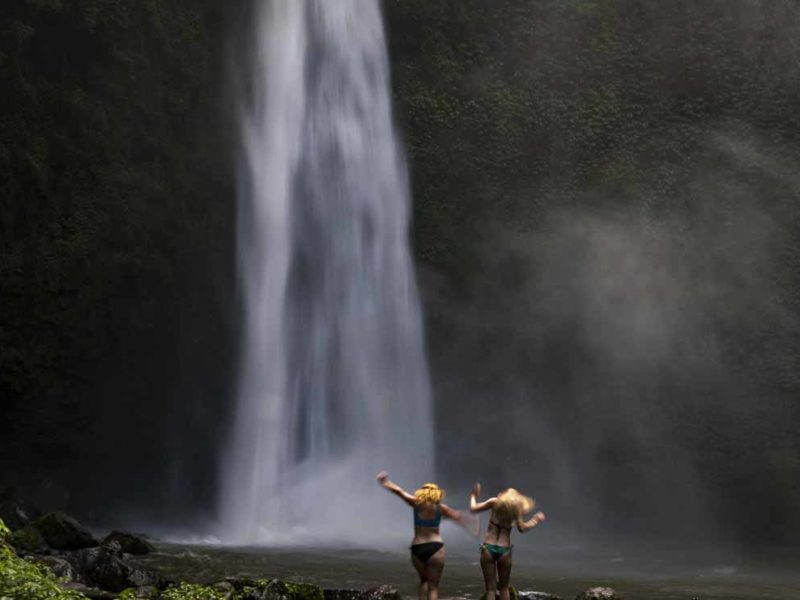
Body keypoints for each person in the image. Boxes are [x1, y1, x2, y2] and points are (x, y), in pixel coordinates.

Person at [376, 471, 463, 600]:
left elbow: (399, 491)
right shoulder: (441, 508)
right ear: (436, 494)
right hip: (436, 547)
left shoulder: (416, 503)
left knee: (424, 581)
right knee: (433, 587)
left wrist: (385, 482)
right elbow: (458, 516)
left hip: (418, 547)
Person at [470, 483, 546, 600]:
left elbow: (473, 508)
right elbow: (522, 528)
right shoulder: (515, 510)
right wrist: (535, 520)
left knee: (490, 589)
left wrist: (473, 496)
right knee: (504, 588)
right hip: (504, 551)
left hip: (488, 548)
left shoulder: (495, 502)